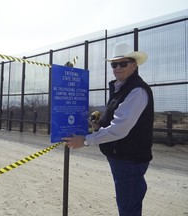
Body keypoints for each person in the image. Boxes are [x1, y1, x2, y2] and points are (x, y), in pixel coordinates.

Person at [62, 42, 154, 216]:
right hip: (122, 157)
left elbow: (119, 129)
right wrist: (98, 125)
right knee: (127, 205)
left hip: (130, 160)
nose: (118, 68)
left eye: (123, 63)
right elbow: (117, 121)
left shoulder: (137, 91)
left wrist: (85, 140)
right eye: (114, 64)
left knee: (128, 209)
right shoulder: (122, 88)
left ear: (134, 65)